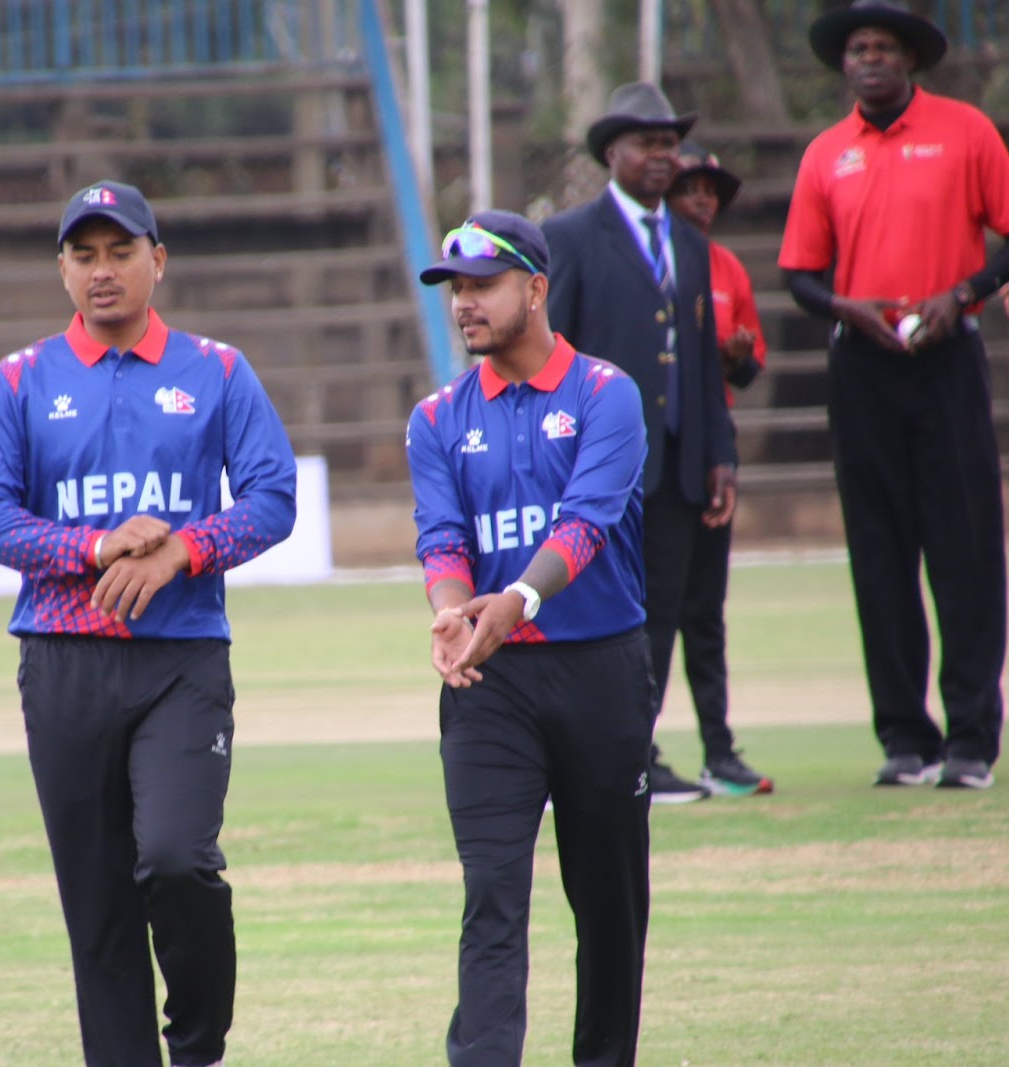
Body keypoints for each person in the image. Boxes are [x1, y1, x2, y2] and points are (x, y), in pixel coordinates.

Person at [0, 179, 297, 1067]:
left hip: (181, 659)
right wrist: (98, 545)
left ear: (158, 260)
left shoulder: (218, 370)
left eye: (120, 251)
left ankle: (198, 1046)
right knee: (98, 905)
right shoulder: (20, 379)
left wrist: (182, 549)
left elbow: (273, 498)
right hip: (63, 661)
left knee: (178, 860)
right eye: (84, 255)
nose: (102, 270)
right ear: (62, 269)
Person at [409, 209, 652, 1066]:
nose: (464, 303)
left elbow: (585, 524)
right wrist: (453, 613)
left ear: (536, 288)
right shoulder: (436, 416)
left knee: (609, 901)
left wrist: (514, 600)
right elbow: (443, 539)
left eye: (483, 285)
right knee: (492, 895)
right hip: (490, 684)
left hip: (600, 673)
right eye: (456, 288)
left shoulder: (606, 393)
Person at [778, 0, 1009, 790]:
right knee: (879, 552)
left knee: (964, 548)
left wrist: (962, 296)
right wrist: (847, 309)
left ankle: (971, 739)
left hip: (946, 356)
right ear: (844, 63)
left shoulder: (965, 131)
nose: (870, 58)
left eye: (885, 47)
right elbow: (799, 274)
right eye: (858, 48)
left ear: (911, 60)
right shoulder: (826, 154)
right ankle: (904, 738)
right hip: (864, 364)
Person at [541, 82, 771, 803]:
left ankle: (636, 753)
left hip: (673, 469)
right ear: (612, 152)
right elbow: (551, 352)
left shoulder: (693, 245)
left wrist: (720, 454)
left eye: (670, 142)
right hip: (590, 469)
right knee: (585, 611)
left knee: (659, 615)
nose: (663, 155)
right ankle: (581, 755)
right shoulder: (572, 236)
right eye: (647, 143)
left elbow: (701, 360)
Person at [660, 143, 774, 797]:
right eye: (689, 187)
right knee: (651, 609)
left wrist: (736, 355)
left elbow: (749, 366)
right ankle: (638, 750)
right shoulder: (651, 260)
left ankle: (719, 751)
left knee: (705, 611)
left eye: (711, 190)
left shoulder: (725, 265)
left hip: (711, 444)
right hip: (655, 451)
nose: (702, 199)